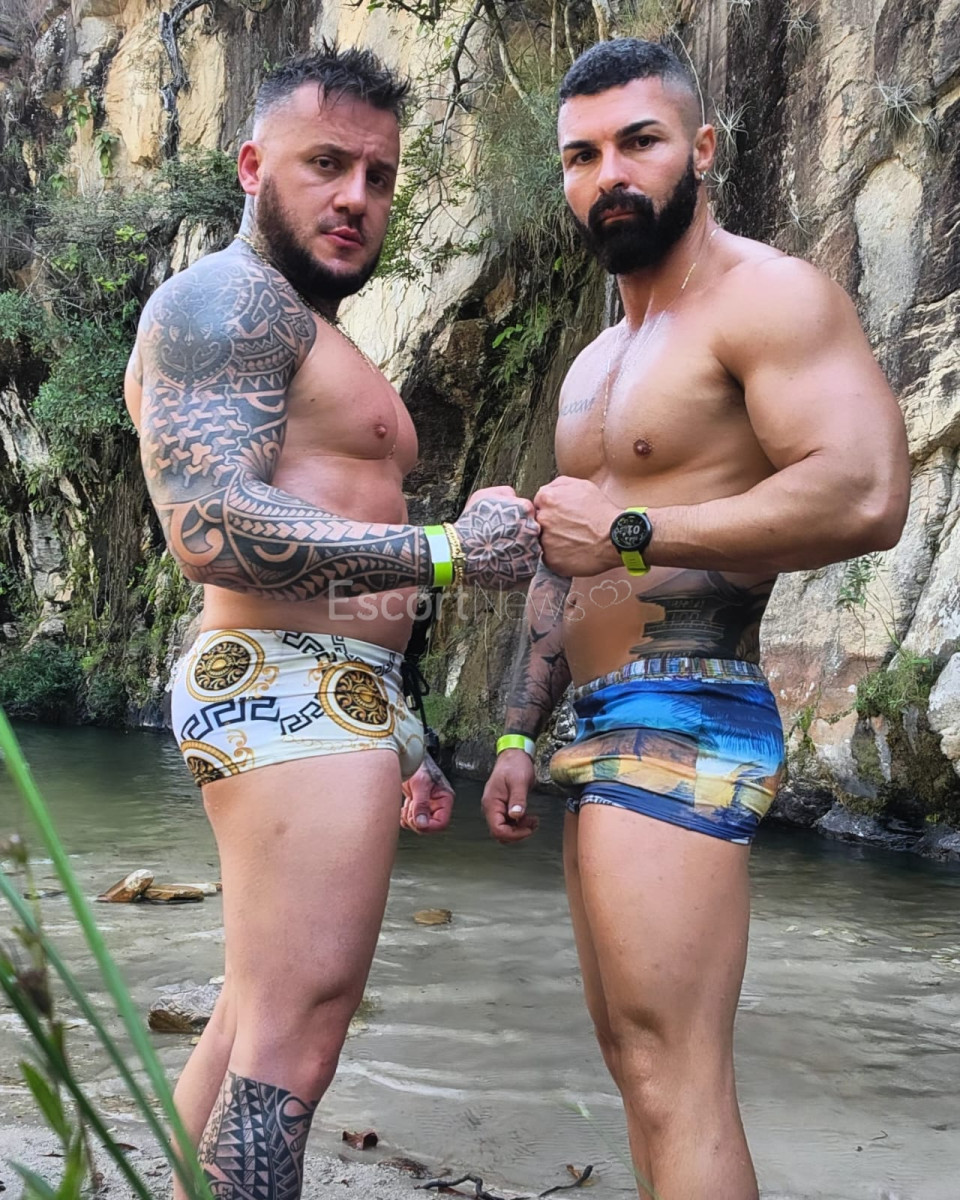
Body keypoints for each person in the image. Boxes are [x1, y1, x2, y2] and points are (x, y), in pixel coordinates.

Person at [481, 38, 910, 1200]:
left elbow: (866, 493)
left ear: (703, 149)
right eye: (582, 155)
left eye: (639, 142)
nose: (609, 174)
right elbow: (564, 555)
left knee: (678, 1077)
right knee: (638, 1069)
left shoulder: (768, 299)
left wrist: (633, 530)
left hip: (689, 702)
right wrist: (518, 730)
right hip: (595, 720)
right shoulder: (596, 362)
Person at [124, 44, 539, 1200]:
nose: (357, 196)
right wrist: (448, 552)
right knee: (292, 1049)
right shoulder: (226, 300)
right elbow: (208, 523)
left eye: (380, 176)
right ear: (253, 165)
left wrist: (400, 729)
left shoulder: (307, 329)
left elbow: (318, 535)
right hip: (282, 687)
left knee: (251, 1024)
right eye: (326, 164)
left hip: (318, 691)